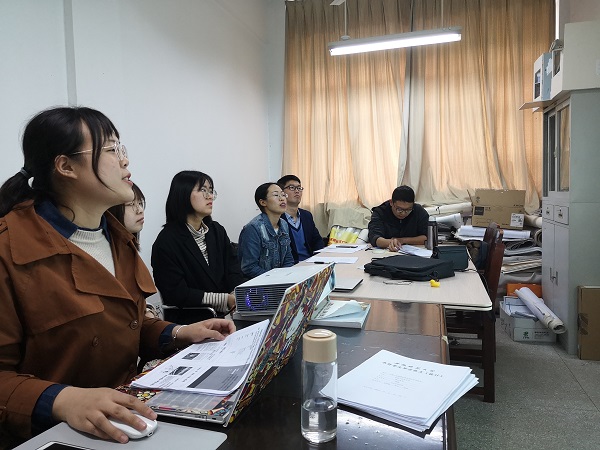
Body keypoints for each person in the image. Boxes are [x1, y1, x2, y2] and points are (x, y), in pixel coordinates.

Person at [0, 106, 235, 445]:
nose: (125, 160)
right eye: (111, 149)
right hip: (53, 433)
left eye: (121, 148)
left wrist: (180, 332)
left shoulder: (117, 236)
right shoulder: (11, 247)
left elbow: (126, 324)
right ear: (65, 166)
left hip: (128, 417)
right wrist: (62, 400)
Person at [151, 171, 244, 317]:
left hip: (224, 314)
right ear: (183, 194)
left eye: (211, 191)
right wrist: (225, 299)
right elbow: (176, 293)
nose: (210, 196)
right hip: (191, 320)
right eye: (203, 190)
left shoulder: (216, 230)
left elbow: (233, 267)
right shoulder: (167, 241)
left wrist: (234, 292)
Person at [238, 182, 294, 278]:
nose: (282, 198)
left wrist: (285, 277)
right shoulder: (253, 228)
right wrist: (275, 279)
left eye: (283, 194)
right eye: (276, 195)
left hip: (281, 281)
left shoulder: (284, 224)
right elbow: (249, 267)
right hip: (260, 283)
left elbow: (288, 259)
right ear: (263, 202)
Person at [277, 175, 324, 263]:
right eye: (292, 188)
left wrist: (319, 259)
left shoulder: (306, 215)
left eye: (299, 188)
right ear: (281, 193)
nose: (297, 191)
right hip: (290, 266)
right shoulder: (277, 218)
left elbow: (317, 241)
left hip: (311, 263)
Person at [367, 185, 429, 251]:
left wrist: (402, 240)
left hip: (414, 251)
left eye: (408, 210)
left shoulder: (419, 211)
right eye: (399, 209)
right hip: (386, 252)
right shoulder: (380, 212)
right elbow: (374, 237)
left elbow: (427, 237)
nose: (403, 213)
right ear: (391, 202)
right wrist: (390, 243)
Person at [107, 182, 146, 250]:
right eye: (131, 204)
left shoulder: (128, 248)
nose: (140, 210)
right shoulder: (107, 251)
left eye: (140, 203)